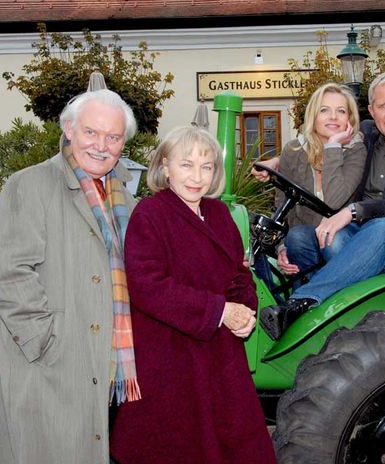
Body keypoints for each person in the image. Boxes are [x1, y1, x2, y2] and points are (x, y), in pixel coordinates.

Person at [0, 89, 140, 463]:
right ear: (69, 130)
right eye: (91, 132)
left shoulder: (127, 202)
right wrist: (46, 340)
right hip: (50, 365)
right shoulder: (30, 185)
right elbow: (6, 271)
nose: (101, 145)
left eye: (113, 137)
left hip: (104, 365)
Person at [109, 126, 276, 463]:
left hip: (221, 355)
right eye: (186, 165)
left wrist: (244, 311)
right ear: (165, 166)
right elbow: (148, 286)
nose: (197, 176)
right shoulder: (150, 214)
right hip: (171, 356)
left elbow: (239, 275)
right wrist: (219, 311)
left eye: (207, 166)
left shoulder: (219, 214)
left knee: (235, 445)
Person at [260, 71, 385, 340]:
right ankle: (335, 312)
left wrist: (356, 211)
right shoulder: (365, 134)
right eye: (382, 106)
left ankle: (303, 304)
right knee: (306, 237)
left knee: (383, 228)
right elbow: (317, 140)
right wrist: (276, 162)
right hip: (360, 235)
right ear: (371, 111)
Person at [252, 82, 366, 281]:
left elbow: (334, 200)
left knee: (333, 240)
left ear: (350, 118)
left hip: (344, 233)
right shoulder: (293, 151)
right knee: (293, 237)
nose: (333, 117)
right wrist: (281, 247)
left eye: (341, 111)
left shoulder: (356, 150)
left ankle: (337, 293)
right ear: (314, 115)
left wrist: (333, 146)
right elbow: (282, 206)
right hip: (305, 239)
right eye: (324, 110)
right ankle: (303, 299)